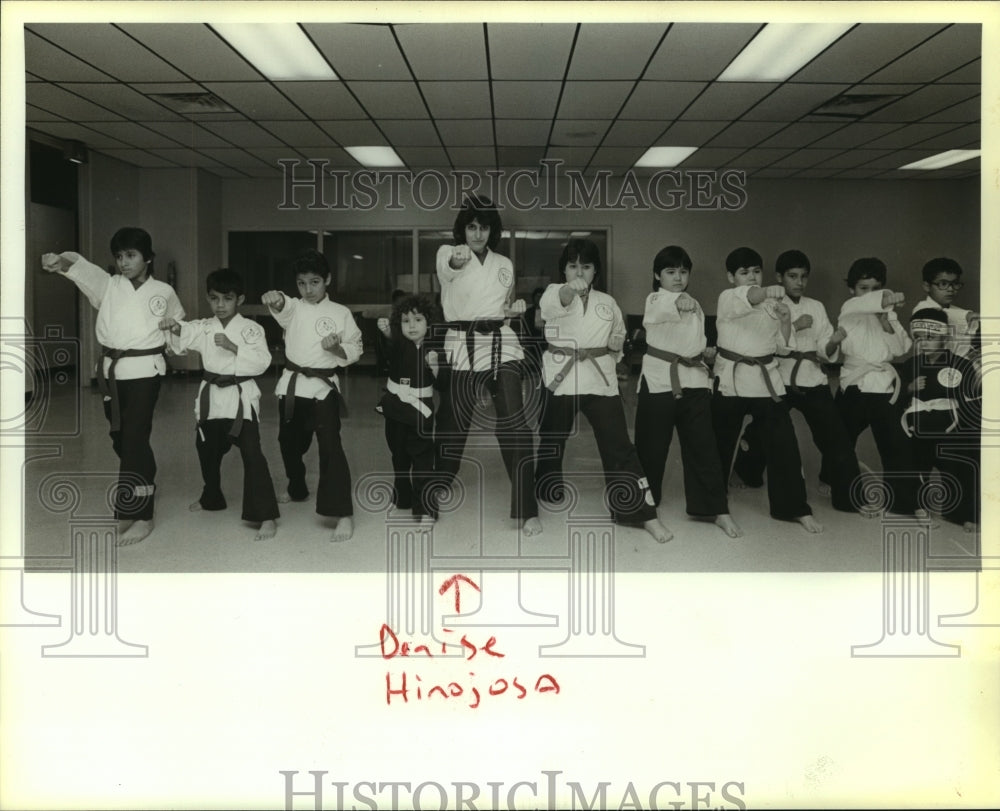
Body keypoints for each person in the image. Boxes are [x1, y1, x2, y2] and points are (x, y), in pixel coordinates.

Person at [41, 227, 184, 546]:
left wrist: (173, 332)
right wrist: (60, 261)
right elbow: (81, 270)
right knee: (121, 438)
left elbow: (177, 330)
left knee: (134, 438)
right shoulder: (108, 286)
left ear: (147, 258)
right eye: (119, 256)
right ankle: (144, 482)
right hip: (112, 373)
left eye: (131, 255)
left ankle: (140, 513)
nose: (124, 262)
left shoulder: (164, 292)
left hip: (146, 371)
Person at [534, 239, 671, 543]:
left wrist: (616, 346)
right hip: (562, 377)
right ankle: (546, 486)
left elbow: (619, 332)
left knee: (619, 444)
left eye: (586, 266)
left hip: (599, 378)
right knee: (551, 438)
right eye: (572, 266)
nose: (579, 272)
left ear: (596, 270)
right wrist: (571, 289)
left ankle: (638, 512)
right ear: (564, 270)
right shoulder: (554, 293)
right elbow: (549, 308)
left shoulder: (607, 302)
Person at [434, 195, 541, 535]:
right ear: (462, 229)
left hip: (500, 344)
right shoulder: (447, 253)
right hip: (462, 345)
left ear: (493, 230)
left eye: (484, 227)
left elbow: (504, 304)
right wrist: (456, 257)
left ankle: (527, 508)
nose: (477, 234)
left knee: (516, 424)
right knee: (453, 422)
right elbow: (446, 269)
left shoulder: (505, 264)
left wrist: (514, 310)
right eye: (471, 226)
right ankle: (439, 481)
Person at [731, 250, 861, 512]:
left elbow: (824, 347)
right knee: (762, 430)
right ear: (779, 277)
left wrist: (833, 342)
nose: (799, 282)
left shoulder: (816, 306)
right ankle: (746, 472)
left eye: (803, 277)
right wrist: (796, 326)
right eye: (792, 276)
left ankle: (848, 496)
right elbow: (766, 343)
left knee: (835, 434)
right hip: (780, 376)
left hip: (812, 377)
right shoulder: (768, 304)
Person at [158, 268, 279, 541]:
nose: (220, 305)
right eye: (214, 299)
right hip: (212, 398)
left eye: (227, 298)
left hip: (240, 398)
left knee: (252, 454)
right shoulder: (205, 326)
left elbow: (263, 362)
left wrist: (235, 347)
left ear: (240, 299)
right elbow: (184, 335)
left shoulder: (251, 329)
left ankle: (265, 515)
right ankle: (212, 496)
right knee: (206, 450)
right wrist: (174, 327)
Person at [633, 245, 742, 538]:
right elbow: (657, 312)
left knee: (703, 448)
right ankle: (642, 511)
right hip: (659, 382)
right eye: (670, 272)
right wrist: (675, 303)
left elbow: (688, 343)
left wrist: (704, 354)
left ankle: (716, 508)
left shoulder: (693, 304)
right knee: (651, 449)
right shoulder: (655, 298)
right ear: (657, 275)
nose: (678, 277)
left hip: (693, 381)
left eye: (683, 271)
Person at [711, 247, 823, 533]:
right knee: (720, 443)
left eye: (756, 271)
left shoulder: (774, 305)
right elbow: (749, 296)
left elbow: (783, 346)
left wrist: (785, 320)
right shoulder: (728, 297)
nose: (751, 277)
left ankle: (793, 507)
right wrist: (768, 292)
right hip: (731, 379)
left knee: (784, 443)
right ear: (730, 277)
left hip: (766, 380)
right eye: (744, 272)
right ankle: (713, 505)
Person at [262, 249, 363, 542]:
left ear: (328, 280)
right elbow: (282, 305)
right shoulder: (293, 307)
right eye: (302, 283)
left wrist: (337, 349)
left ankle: (342, 513)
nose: (308, 289)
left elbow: (355, 347)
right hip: (293, 386)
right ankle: (296, 486)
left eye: (315, 282)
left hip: (323, 388)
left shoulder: (341, 313)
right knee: (289, 443)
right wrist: (276, 298)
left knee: (331, 446)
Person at [831, 257, 923, 518]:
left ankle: (903, 502)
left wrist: (886, 321)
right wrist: (885, 299)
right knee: (842, 443)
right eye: (863, 287)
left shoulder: (888, 314)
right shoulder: (848, 309)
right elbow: (864, 304)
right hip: (855, 386)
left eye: (875, 287)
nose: (869, 294)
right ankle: (847, 499)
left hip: (883, 386)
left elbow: (901, 349)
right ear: (852, 289)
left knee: (896, 443)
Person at [897, 307, 980, 531]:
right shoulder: (909, 365)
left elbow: (970, 401)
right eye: (918, 338)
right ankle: (918, 508)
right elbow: (897, 400)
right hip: (919, 426)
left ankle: (964, 514)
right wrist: (909, 388)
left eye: (930, 337)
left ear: (945, 336)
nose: (923, 343)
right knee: (914, 465)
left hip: (950, 425)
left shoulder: (961, 364)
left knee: (961, 466)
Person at [376, 294, 442, 525]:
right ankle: (402, 498)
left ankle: (425, 508)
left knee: (423, 459)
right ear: (398, 324)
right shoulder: (397, 344)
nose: (412, 326)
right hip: (395, 408)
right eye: (406, 321)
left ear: (429, 323)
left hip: (420, 411)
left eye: (418, 320)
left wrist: (435, 367)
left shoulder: (435, 347)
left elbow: (444, 384)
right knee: (399, 457)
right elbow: (387, 352)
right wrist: (385, 334)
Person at [910, 257, 979, 358]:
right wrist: (970, 316)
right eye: (943, 284)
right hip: (934, 366)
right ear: (927, 286)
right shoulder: (921, 310)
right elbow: (944, 314)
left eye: (955, 284)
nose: (950, 289)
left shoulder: (959, 311)